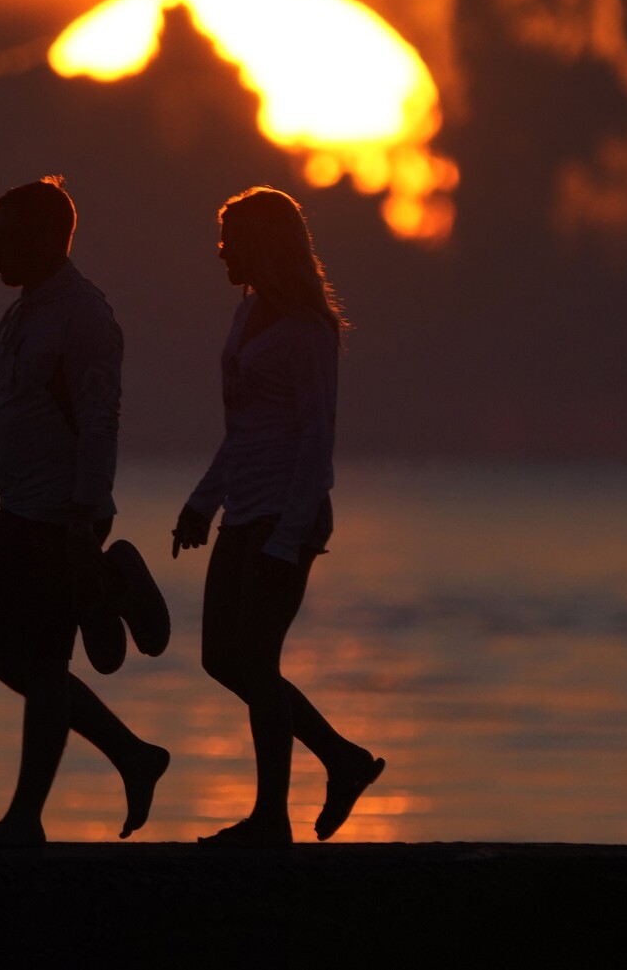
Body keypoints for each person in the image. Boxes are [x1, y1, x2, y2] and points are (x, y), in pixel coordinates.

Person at [173, 186, 384, 847]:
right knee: (221, 657)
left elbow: (316, 439)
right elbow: (241, 429)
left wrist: (289, 537)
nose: (221, 250)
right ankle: (343, 759)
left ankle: (271, 818)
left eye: (230, 238)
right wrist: (203, 500)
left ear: (263, 243)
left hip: (286, 516)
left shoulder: (309, 329)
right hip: (243, 508)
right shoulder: (247, 317)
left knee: (256, 661)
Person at [0, 176, 169, 847]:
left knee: (44, 663)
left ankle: (25, 817)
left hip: (60, 513)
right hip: (16, 508)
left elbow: (102, 419)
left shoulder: (85, 316)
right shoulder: (18, 315)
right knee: (7, 659)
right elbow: (10, 415)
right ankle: (134, 752)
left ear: (50, 239)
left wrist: (85, 513)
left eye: (7, 239)